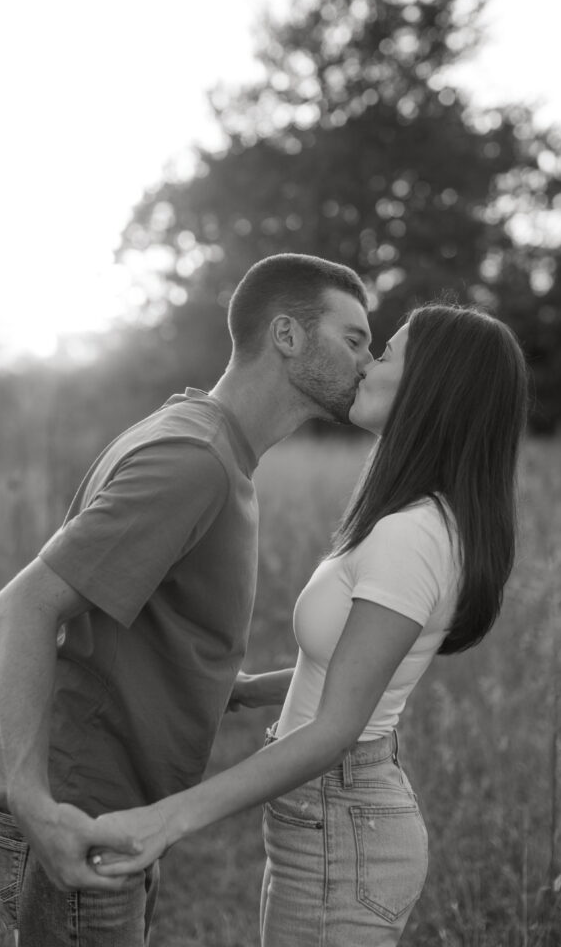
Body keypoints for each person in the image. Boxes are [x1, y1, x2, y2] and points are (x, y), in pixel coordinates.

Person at [89, 302, 529, 946]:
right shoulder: (419, 520)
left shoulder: (413, 536)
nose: (365, 365)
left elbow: (336, 729)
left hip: (344, 825)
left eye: (386, 353)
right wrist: (247, 690)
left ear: (432, 385)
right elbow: (356, 675)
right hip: (331, 818)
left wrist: (169, 819)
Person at [0, 253, 374, 945]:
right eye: (355, 339)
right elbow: (22, 608)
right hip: (78, 813)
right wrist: (35, 804)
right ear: (286, 335)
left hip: (113, 810)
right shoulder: (194, 461)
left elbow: (139, 621)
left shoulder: (208, 440)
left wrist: (243, 688)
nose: (367, 363)